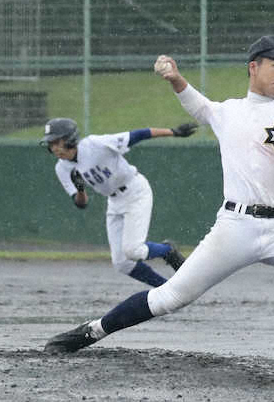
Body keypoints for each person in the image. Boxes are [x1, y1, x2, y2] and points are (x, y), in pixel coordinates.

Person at [44, 35, 274, 376]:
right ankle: (92, 331)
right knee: (170, 297)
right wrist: (176, 78)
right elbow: (196, 105)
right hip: (234, 228)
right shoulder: (228, 112)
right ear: (253, 68)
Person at [40, 117, 196, 287]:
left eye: (57, 142)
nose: (54, 147)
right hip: (114, 202)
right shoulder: (61, 168)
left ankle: (167, 250)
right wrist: (80, 189)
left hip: (135, 191)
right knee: (122, 263)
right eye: (51, 143)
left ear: (70, 139)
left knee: (133, 250)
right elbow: (81, 203)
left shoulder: (94, 145)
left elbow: (137, 135)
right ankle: (165, 289)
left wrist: (173, 132)